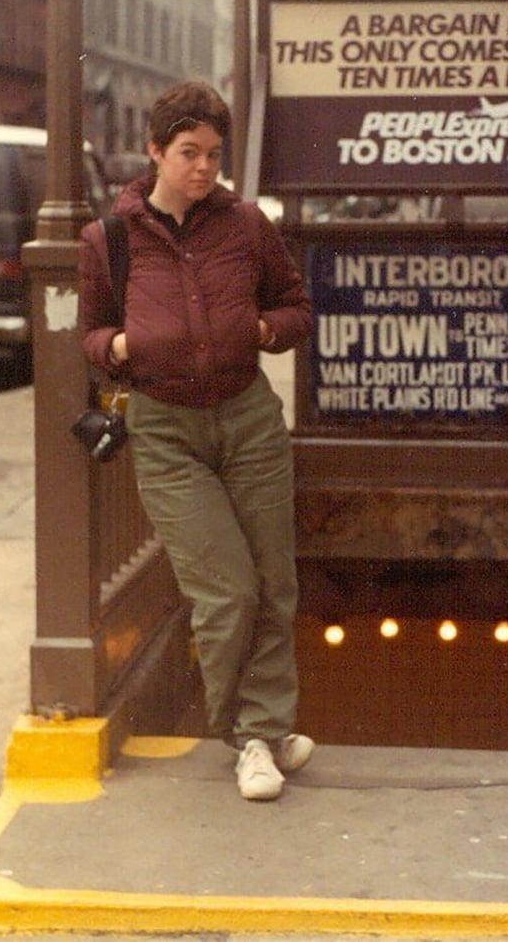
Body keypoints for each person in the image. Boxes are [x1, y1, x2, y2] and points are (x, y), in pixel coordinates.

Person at [79, 80, 314, 801]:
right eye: (189, 153)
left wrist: (267, 330)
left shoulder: (246, 225)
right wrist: (116, 342)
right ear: (155, 153)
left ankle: (265, 728)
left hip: (247, 417)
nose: (204, 167)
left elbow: (295, 305)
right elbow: (88, 331)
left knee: (275, 581)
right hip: (166, 427)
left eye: (213, 153)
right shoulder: (109, 239)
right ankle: (245, 733)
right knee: (228, 588)